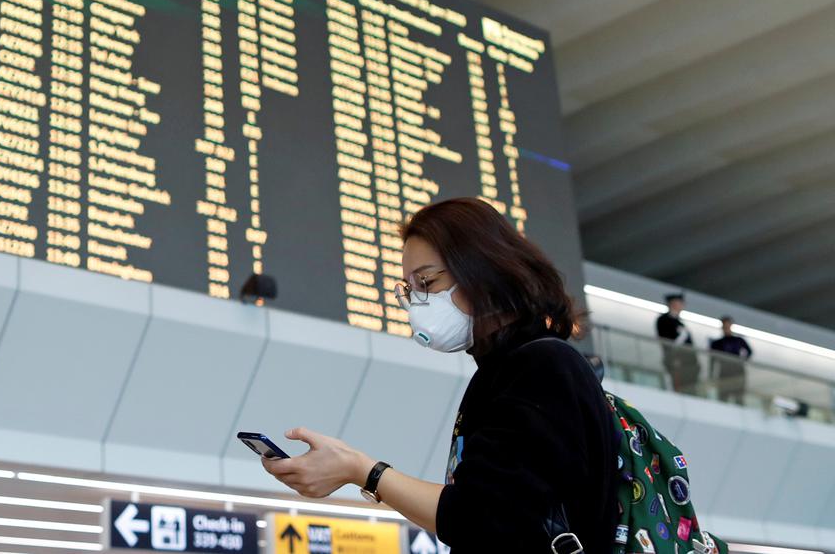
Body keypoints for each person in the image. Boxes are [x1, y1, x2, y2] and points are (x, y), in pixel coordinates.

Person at [259, 198, 618, 553]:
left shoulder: (543, 367)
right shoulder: (504, 371)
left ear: (484, 269)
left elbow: (477, 515)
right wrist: (355, 467)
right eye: (410, 290)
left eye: (427, 282)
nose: (418, 305)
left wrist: (362, 470)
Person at [656, 292, 700, 394]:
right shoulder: (663, 320)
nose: (682, 305)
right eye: (680, 303)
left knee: (690, 387)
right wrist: (673, 357)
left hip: (689, 362)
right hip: (676, 359)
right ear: (673, 303)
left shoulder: (681, 323)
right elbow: (665, 341)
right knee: (679, 386)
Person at [709, 316, 752, 405]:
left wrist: (741, 361)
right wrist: (711, 375)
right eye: (725, 326)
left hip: (738, 372)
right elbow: (712, 360)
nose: (727, 328)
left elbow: (749, 352)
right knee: (723, 397)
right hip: (724, 372)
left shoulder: (738, 340)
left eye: (728, 325)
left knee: (738, 397)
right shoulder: (717, 343)